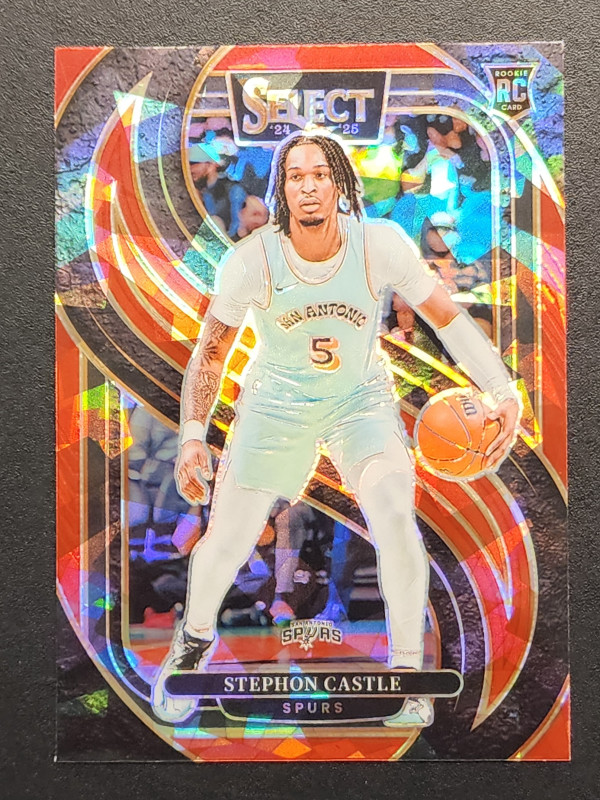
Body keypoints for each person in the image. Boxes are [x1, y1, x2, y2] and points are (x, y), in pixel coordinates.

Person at [151, 131, 520, 726]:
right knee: (228, 538)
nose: (308, 186)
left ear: (340, 183)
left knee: (395, 516)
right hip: (276, 404)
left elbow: (447, 318)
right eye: (295, 176)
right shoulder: (252, 259)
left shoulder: (380, 243)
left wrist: (502, 390)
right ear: (282, 189)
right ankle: (193, 642)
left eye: (320, 174)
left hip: (359, 400)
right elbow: (211, 353)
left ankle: (407, 675)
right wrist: (193, 434)